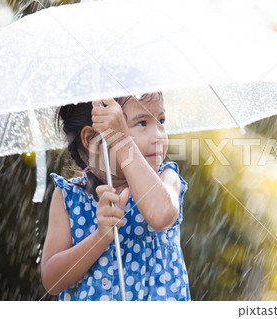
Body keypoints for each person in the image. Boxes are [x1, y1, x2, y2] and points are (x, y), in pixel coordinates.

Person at [40, 93, 190, 301]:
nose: (158, 136)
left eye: (161, 121)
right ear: (91, 139)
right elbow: (52, 280)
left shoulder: (165, 178)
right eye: (141, 123)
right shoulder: (68, 197)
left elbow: (162, 215)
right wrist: (100, 238)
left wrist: (121, 140)